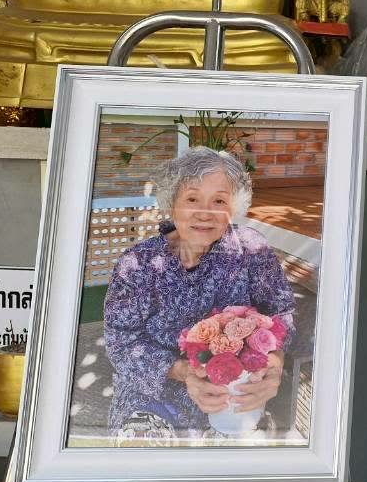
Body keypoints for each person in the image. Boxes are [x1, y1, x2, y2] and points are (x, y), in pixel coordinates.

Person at [102, 146, 296, 440]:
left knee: (246, 457)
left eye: (219, 200)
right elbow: (121, 343)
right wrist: (182, 371)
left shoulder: (251, 250)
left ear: (233, 207)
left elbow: (282, 312)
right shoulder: (139, 264)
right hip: (155, 393)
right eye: (192, 199)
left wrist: (274, 362)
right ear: (172, 203)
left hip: (236, 392)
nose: (205, 213)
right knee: (144, 455)